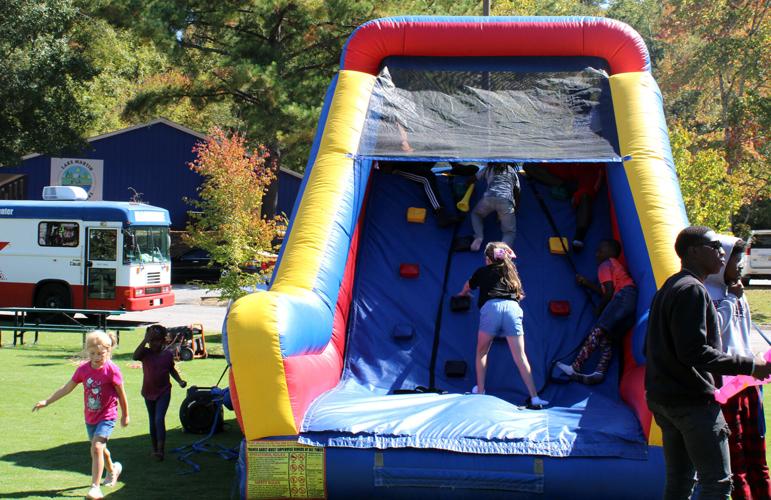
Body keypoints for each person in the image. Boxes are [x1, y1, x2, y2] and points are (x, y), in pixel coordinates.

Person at [645, 226, 771, 500]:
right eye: (714, 247)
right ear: (693, 252)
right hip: (691, 402)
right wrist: (751, 366)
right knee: (718, 483)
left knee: (680, 482)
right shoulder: (692, 290)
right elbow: (695, 353)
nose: (721, 253)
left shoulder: (671, 286)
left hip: (664, 398)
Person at [705, 235, 771, 499]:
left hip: (749, 383)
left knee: (758, 457)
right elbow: (713, 334)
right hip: (726, 388)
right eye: (736, 259)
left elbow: (740, 338)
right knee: (737, 460)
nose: (741, 264)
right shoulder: (705, 293)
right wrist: (731, 300)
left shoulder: (738, 293)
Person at [33, 330, 129, 500]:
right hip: (90, 417)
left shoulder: (112, 370)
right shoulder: (83, 370)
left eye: (100, 353)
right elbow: (66, 388)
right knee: (100, 449)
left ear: (108, 351)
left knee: (97, 447)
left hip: (107, 416)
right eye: (92, 353)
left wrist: (125, 415)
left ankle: (95, 488)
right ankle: (113, 470)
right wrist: (47, 401)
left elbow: (122, 394)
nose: (96, 357)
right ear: (87, 352)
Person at [458, 241, 549, 409]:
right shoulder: (511, 272)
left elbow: (468, 285)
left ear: (488, 259)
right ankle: (535, 397)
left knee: (482, 352)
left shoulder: (482, 271)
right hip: (512, 309)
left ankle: (480, 391)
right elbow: (520, 295)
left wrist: (463, 293)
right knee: (520, 356)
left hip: (491, 308)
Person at [556, 239, 638, 384]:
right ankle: (600, 371)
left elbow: (609, 292)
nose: (596, 253)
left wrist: (600, 310)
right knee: (607, 337)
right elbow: (605, 291)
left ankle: (576, 366)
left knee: (598, 330)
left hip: (623, 296)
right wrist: (587, 283)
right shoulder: (615, 266)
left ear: (611, 252)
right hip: (630, 301)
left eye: (600, 250)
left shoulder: (605, 264)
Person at [133, 324, 187, 461]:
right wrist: (145, 340)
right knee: (152, 420)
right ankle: (154, 449)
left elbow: (171, 370)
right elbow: (135, 356)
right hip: (148, 392)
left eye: (157, 340)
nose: (154, 344)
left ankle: (160, 450)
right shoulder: (145, 353)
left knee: (159, 419)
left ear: (163, 341)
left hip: (164, 392)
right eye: (151, 340)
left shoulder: (167, 355)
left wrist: (180, 381)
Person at [523, 162, 604, 252]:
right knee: (528, 166)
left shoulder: (595, 169)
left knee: (585, 196)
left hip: (588, 169)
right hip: (569, 163)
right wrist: (563, 183)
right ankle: (564, 185)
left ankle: (580, 235)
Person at [469, 163, 521, 251]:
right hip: (506, 201)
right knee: (509, 231)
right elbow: (517, 191)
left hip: (489, 198)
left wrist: (467, 183)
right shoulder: (512, 171)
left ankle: (478, 236)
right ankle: (502, 251)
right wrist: (515, 207)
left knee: (476, 214)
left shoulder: (488, 168)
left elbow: (473, 179)